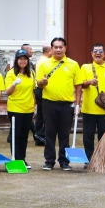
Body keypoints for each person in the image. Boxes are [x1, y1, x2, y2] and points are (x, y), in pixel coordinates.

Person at [36, 37, 82, 171]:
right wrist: (42, 83)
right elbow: (37, 83)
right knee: (49, 133)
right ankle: (49, 161)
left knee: (64, 134)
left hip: (67, 105)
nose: (58, 49)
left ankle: (64, 161)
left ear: (65, 48)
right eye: (55, 47)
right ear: (51, 49)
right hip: (49, 103)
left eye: (60, 47)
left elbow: (78, 86)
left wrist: (77, 104)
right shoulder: (44, 64)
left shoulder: (73, 64)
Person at [80, 43, 105, 168]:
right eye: (95, 51)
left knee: (103, 137)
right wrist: (89, 82)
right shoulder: (85, 67)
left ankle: (102, 160)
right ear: (91, 53)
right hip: (89, 109)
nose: (98, 53)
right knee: (88, 136)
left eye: (100, 51)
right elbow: (81, 84)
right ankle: (89, 160)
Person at [5, 49, 36, 169]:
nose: (22, 61)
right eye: (20, 59)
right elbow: (8, 92)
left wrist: (34, 105)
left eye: (25, 59)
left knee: (24, 135)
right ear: (16, 60)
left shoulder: (31, 73)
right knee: (15, 135)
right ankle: (16, 159)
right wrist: (14, 84)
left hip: (28, 109)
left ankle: (22, 158)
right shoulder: (11, 73)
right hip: (15, 108)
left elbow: (33, 90)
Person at [33, 44, 53, 145]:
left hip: (38, 88)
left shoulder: (39, 60)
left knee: (40, 114)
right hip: (43, 88)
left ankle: (38, 136)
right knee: (47, 114)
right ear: (49, 51)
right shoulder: (46, 62)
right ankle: (41, 133)